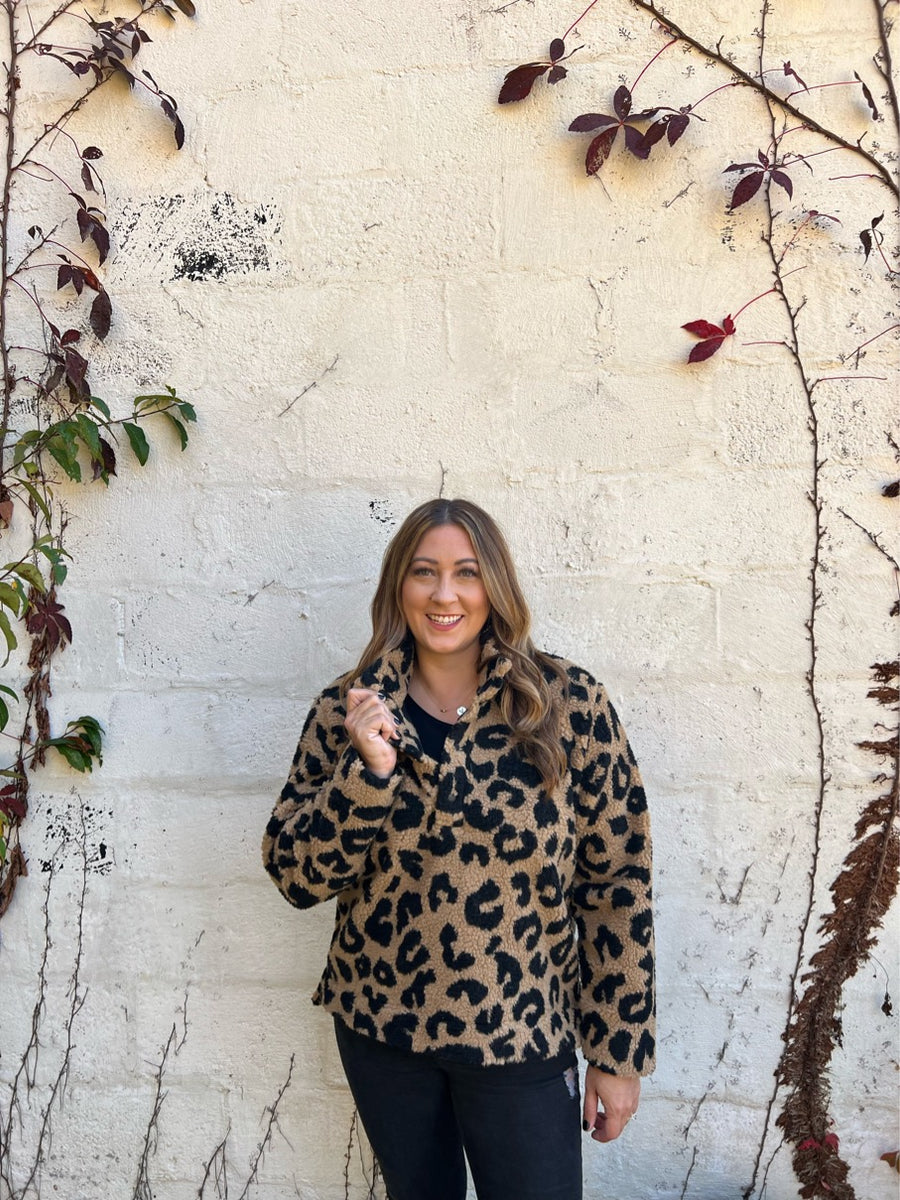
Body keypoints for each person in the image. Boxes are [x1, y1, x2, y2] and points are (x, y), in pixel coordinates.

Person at [262, 498, 654, 1200]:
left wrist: (617, 1052)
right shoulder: (347, 711)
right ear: (399, 586)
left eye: (466, 573)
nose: (445, 594)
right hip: (384, 1034)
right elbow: (296, 876)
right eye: (425, 572)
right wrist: (368, 774)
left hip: (523, 1035)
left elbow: (617, 884)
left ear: (494, 586)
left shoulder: (567, 705)